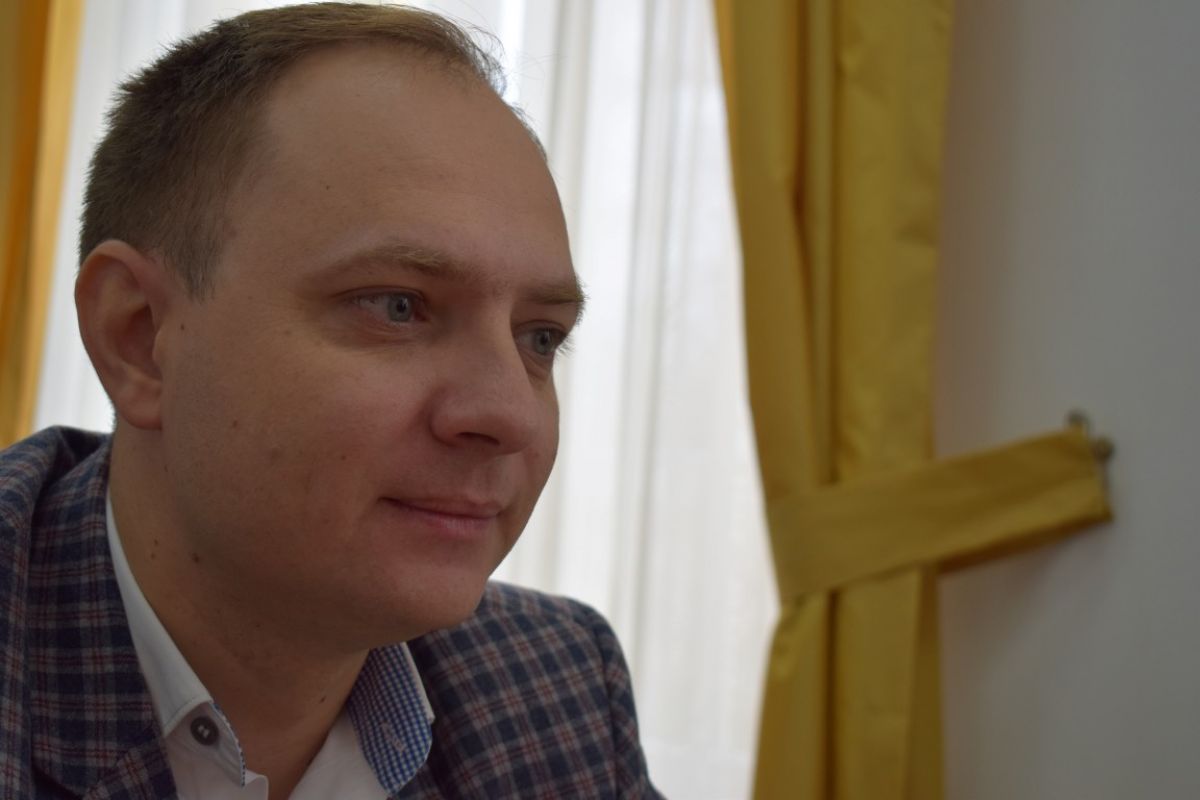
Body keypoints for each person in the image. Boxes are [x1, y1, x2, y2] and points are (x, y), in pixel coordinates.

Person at [0, 3, 662, 798]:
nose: (510, 414)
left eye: (541, 338)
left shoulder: (560, 688)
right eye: (398, 306)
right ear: (139, 337)